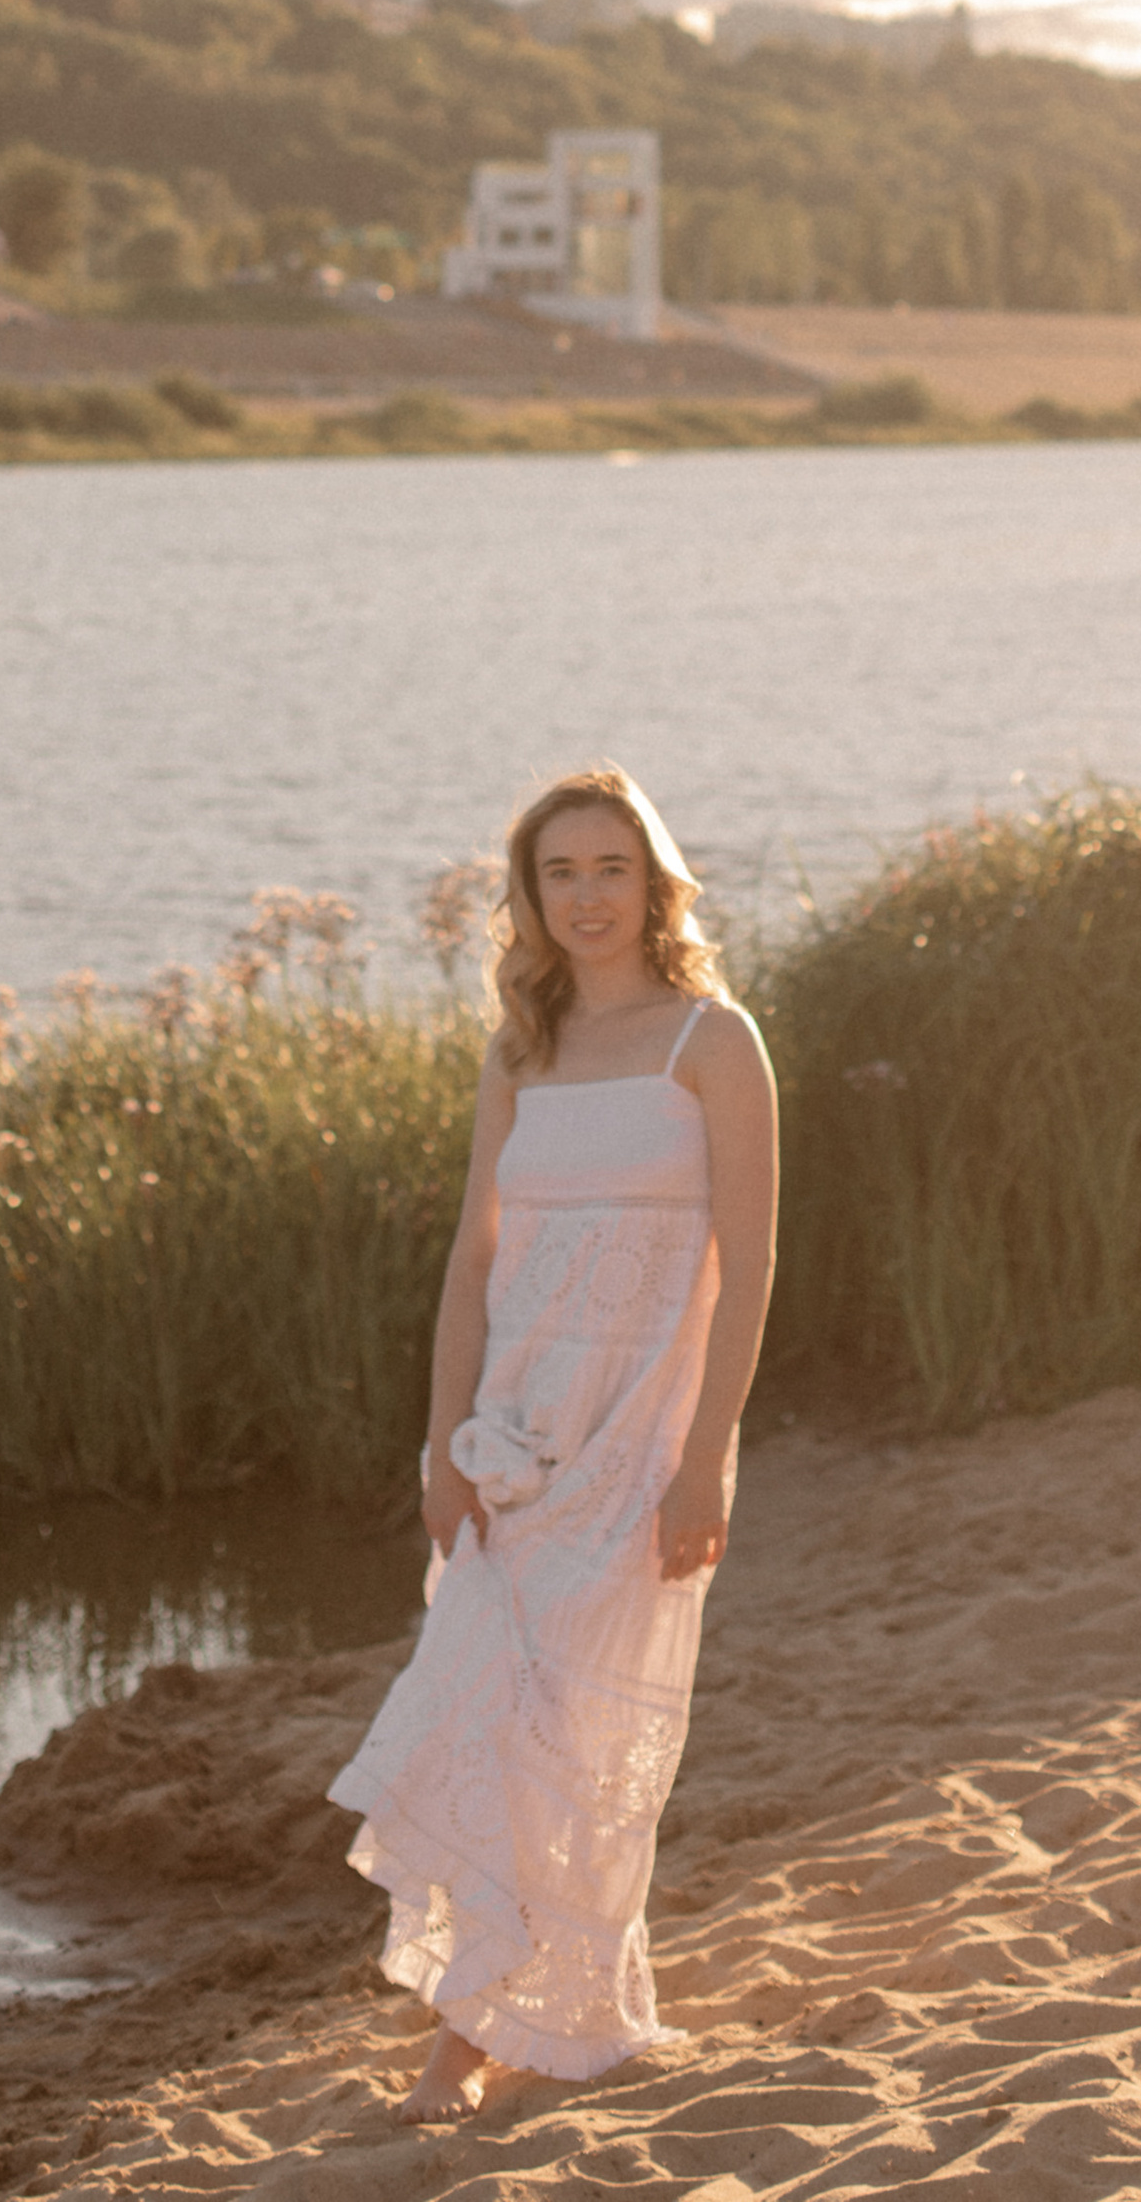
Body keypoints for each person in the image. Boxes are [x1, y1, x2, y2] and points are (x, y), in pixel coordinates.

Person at [329, 762, 780, 2125]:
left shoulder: (714, 1042)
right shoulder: (519, 1051)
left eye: (610, 869)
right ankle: (501, 2026)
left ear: (654, 884)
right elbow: (474, 1260)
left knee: (585, 1732)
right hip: (513, 1432)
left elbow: (752, 1264)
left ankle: (510, 2024)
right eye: (559, 875)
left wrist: (708, 1455)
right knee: (492, 1710)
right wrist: (438, 1447)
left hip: (643, 1435)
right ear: (526, 899)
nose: (587, 898)